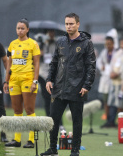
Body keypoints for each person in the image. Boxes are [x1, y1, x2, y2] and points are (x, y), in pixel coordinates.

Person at [41, 13, 96, 156]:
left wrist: (86, 85)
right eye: (66, 24)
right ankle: (53, 149)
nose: (69, 26)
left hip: (77, 88)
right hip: (59, 87)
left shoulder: (86, 43)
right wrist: (49, 79)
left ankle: (75, 150)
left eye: (71, 24)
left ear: (78, 24)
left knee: (77, 121)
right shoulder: (60, 41)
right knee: (53, 120)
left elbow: (91, 66)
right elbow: (54, 63)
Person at [3, 18, 40, 148]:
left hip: (28, 79)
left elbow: (36, 64)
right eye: (18, 28)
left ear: (27, 30)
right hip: (14, 80)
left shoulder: (33, 44)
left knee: (29, 109)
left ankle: (31, 140)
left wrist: (35, 81)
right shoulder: (12, 44)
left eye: (22, 28)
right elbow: (9, 64)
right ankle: (17, 139)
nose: (20, 30)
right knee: (17, 110)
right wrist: (6, 81)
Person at [39, 29, 64, 130]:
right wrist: (39, 53)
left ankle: (59, 124)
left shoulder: (58, 44)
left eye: (52, 32)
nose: (51, 34)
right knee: (46, 100)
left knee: (56, 100)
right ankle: (49, 123)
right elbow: (34, 58)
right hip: (43, 74)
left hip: (55, 75)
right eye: (49, 32)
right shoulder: (40, 44)